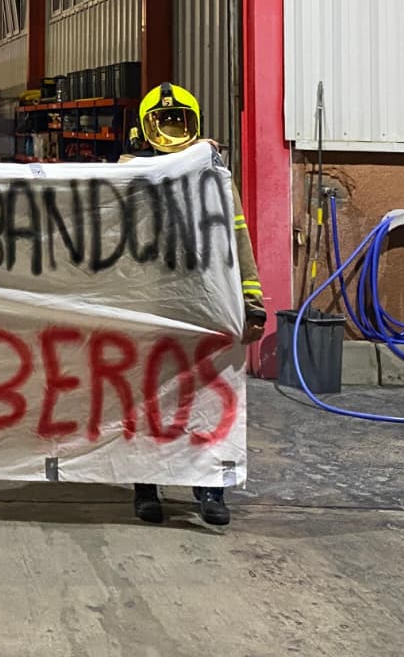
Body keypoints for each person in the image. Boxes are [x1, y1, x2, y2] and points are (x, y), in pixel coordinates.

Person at [122, 82, 266, 527]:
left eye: (178, 121)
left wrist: (252, 297)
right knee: (149, 398)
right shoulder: (133, 171)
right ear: (145, 130)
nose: (170, 129)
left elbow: (237, 236)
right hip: (151, 302)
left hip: (205, 303)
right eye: (161, 122)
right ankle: (146, 485)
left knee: (208, 397)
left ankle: (209, 487)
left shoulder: (215, 177)